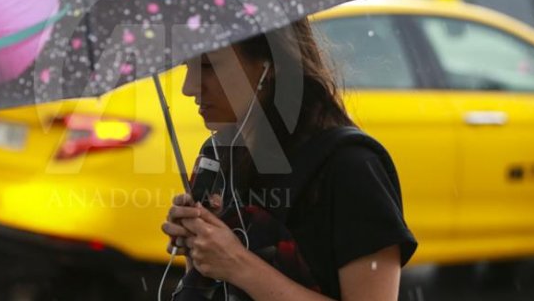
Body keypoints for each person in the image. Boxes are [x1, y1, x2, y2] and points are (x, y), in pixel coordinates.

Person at [161, 18, 417, 301]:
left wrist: (237, 263)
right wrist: (200, 246)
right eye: (188, 66)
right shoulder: (218, 155)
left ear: (270, 65)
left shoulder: (349, 167)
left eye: (208, 66)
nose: (189, 87)